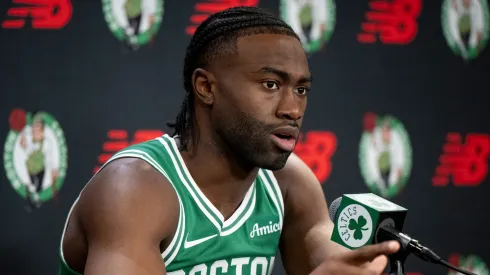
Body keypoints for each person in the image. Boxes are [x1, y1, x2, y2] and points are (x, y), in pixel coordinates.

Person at [58, 6, 399, 275]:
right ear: (206, 87)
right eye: (270, 84)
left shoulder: (289, 183)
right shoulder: (133, 190)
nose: (293, 109)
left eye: (301, 89)